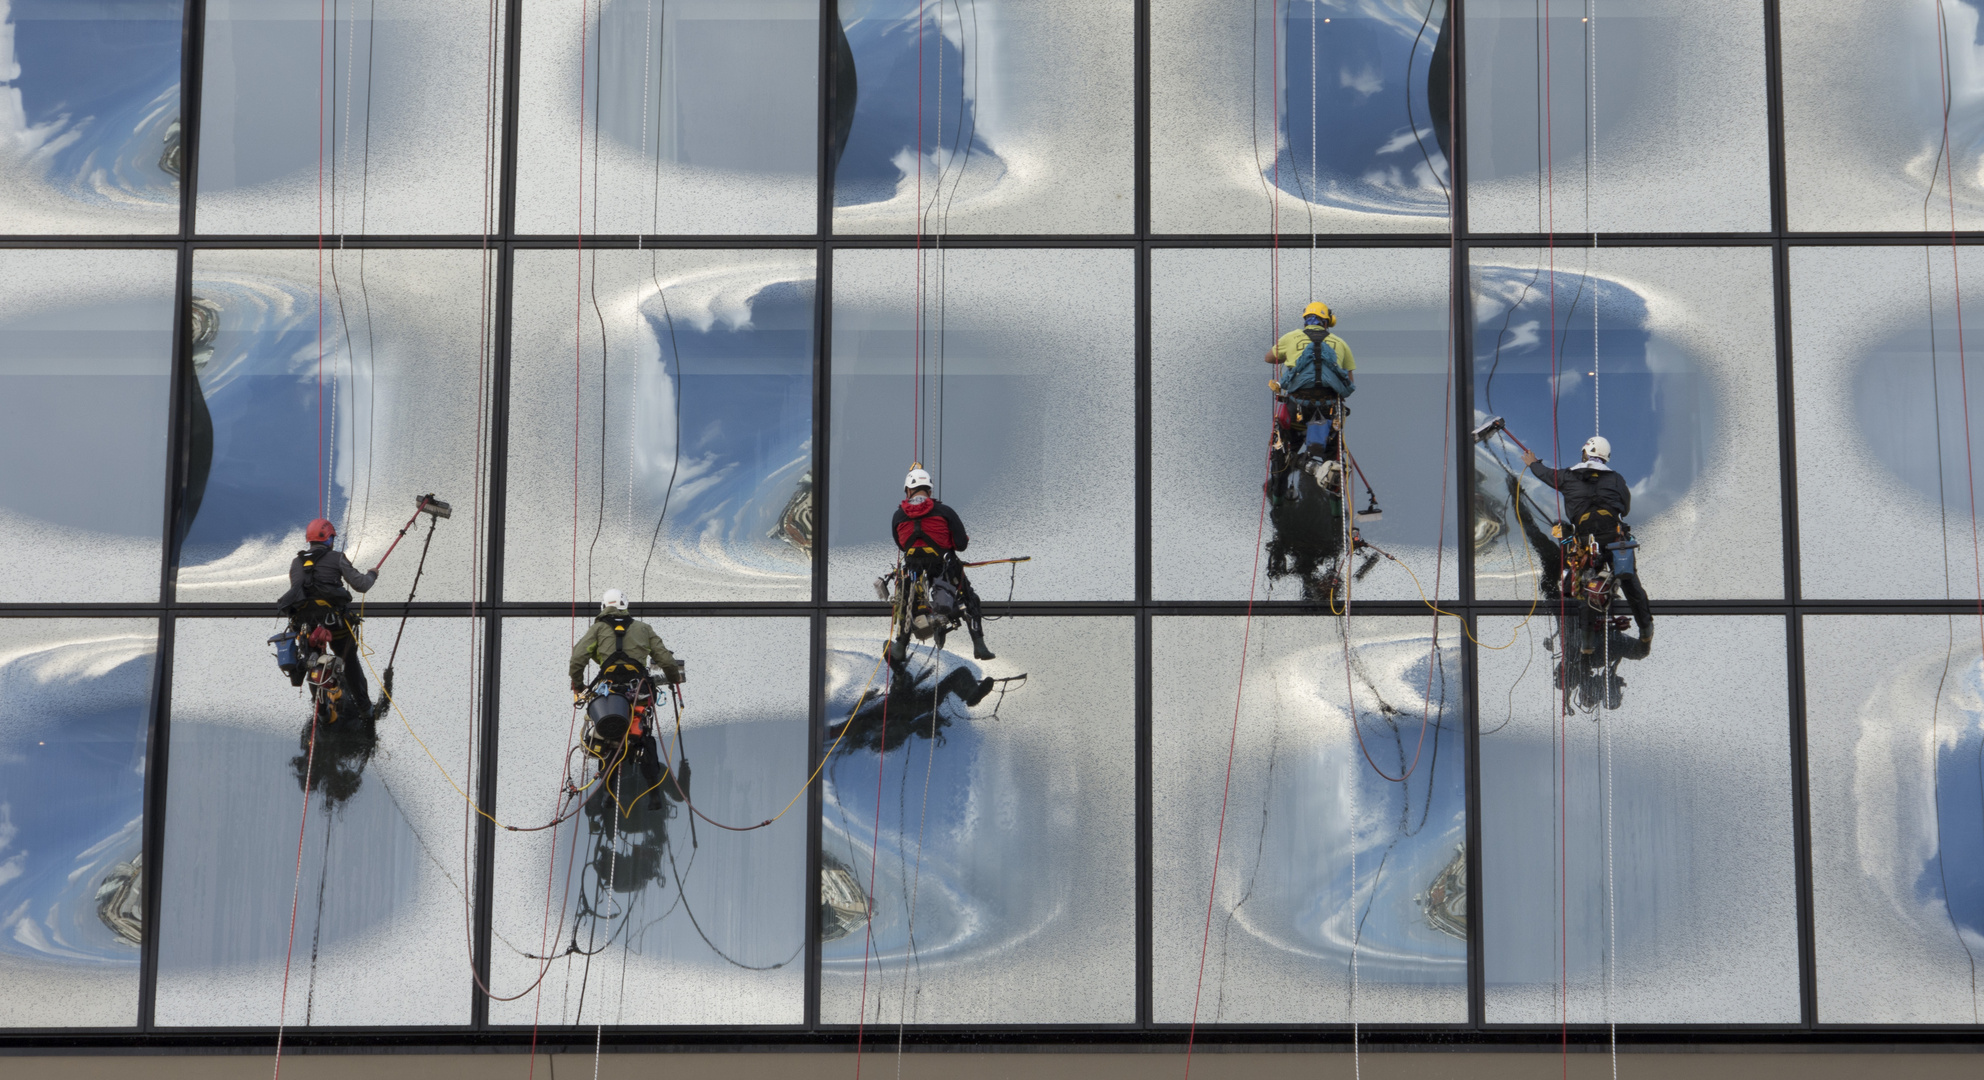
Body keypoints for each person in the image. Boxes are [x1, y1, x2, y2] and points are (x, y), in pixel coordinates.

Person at [1521, 436, 1653, 646]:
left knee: (1587, 586)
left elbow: (1546, 475)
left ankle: (1587, 640)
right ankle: (1646, 628)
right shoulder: (1616, 479)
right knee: (1629, 580)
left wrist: (1532, 463)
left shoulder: (1568, 476)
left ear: (1586, 452)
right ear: (1605, 457)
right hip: (1615, 539)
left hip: (1587, 543)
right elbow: (1625, 509)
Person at [570, 589, 684, 812]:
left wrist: (579, 685)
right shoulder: (643, 629)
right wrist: (673, 680)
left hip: (609, 694)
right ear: (625, 605)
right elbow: (667, 662)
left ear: (603, 607)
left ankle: (609, 796)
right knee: (642, 737)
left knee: (609, 739)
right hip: (638, 692)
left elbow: (577, 659)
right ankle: (654, 796)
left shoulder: (597, 629)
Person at [891, 466, 994, 662]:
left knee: (906, 602)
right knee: (968, 599)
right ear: (929, 491)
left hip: (914, 570)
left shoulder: (898, 516)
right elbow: (961, 545)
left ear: (908, 491)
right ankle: (979, 645)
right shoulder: (944, 512)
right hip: (944, 568)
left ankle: (900, 646)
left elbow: (901, 544)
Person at [280, 517, 379, 719]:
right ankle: (366, 709)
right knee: (349, 662)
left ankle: (322, 712)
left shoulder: (296, 563)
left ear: (310, 540)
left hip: (306, 626)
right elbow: (362, 585)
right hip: (336, 625)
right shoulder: (336, 558)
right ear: (328, 538)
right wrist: (372, 574)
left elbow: (298, 591)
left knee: (313, 663)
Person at [1265, 301, 1356, 498]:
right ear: (1327, 322)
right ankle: (1335, 505)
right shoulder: (1340, 343)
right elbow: (1349, 383)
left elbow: (1269, 358)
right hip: (1329, 410)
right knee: (1334, 456)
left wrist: (1288, 356)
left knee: (1281, 450)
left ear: (1306, 319)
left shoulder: (1291, 337)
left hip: (1296, 409)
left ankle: (1278, 494)